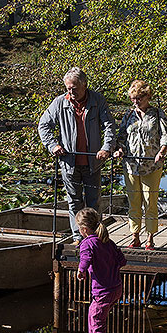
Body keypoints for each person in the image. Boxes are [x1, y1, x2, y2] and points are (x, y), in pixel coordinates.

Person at [38, 67, 117, 243]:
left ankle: (96, 238)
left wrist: (106, 148)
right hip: (69, 162)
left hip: (92, 162)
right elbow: (43, 125)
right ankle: (78, 237)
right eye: (68, 88)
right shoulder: (60, 103)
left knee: (93, 202)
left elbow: (109, 126)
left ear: (84, 85)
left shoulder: (97, 100)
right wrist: (53, 145)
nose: (70, 92)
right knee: (74, 202)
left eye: (74, 88)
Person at [113, 80, 167, 250]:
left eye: (139, 98)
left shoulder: (157, 114)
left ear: (147, 96)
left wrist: (162, 152)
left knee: (150, 202)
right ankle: (135, 237)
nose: (135, 101)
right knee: (134, 202)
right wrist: (120, 150)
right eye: (133, 98)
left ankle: (150, 239)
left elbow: (166, 137)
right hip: (131, 165)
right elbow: (122, 137)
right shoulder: (128, 115)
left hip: (151, 166)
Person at [76, 207, 127, 333]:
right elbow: (122, 260)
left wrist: (81, 270)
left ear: (84, 230)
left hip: (103, 291)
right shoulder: (107, 241)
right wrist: (108, 266)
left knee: (97, 324)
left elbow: (85, 258)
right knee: (92, 313)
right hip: (116, 288)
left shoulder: (87, 243)